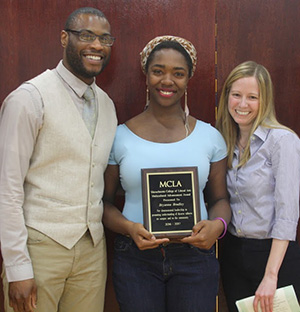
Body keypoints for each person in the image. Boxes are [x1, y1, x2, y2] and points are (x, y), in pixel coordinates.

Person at [0, 7, 117, 312]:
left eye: (105, 39)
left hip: (92, 251)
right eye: (86, 36)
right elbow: (7, 189)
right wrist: (17, 267)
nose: (96, 46)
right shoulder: (29, 99)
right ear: (65, 38)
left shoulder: (107, 104)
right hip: (40, 248)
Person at [102, 35, 231, 312]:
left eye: (178, 73)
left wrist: (217, 226)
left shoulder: (210, 137)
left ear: (188, 79)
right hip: (136, 259)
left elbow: (220, 199)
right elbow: (103, 204)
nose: (167, 80)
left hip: (195, 259)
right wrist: (129, 228)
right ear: (146, 76)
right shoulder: (119, 137)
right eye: (158, 71)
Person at [216, 61, 300, 312]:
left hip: (274, 256)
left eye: (252, 97)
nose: (242, 105)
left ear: (265, 100)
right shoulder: (223, 141)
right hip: (233, 254)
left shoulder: (282, 141)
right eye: (236, 95)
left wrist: (271, 275)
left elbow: (287, 215)